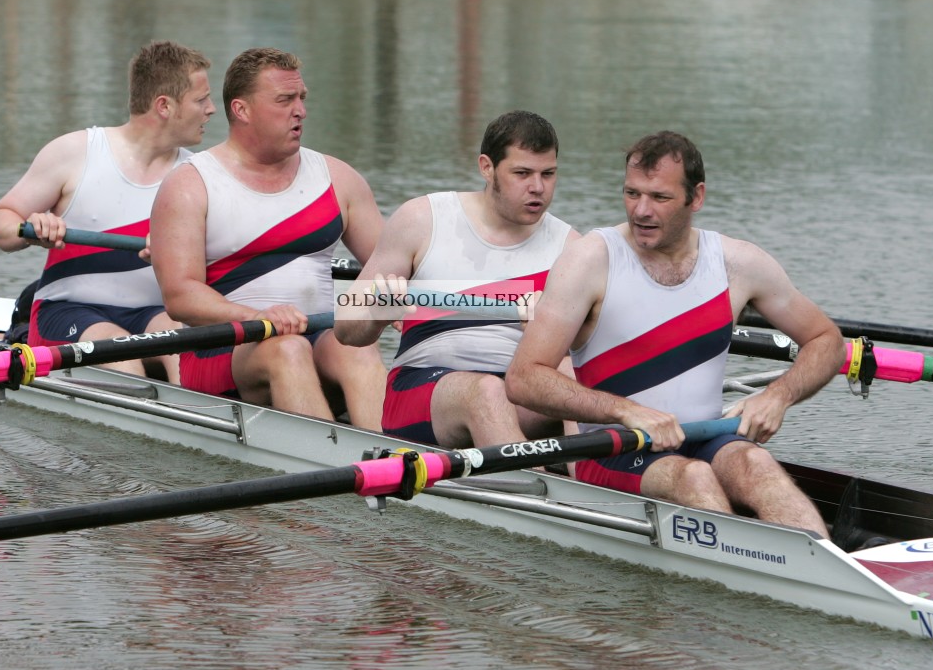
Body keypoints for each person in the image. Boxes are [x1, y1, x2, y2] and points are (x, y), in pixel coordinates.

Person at [505, 131, 844, 535]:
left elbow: (828, 341)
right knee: (694, 478)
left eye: (659, 198)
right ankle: (745, 574)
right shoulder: (591, 260)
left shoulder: (739, 263)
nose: (641, 211)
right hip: (611, 450)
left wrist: (777, 396)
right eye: (632, 194)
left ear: (695, 197)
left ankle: (837, 574)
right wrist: (625, 411)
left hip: (705, 437)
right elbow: (524, 378)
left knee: (757, 464)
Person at [150, 47, 386, 431]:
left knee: (356, 347)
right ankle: (329, 469)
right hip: (222, 353)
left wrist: (390, 303)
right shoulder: (191, 185)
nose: (301, 111)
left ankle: (399, 466)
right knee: (287, 348)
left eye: (302, 98)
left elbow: (391, 266)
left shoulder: (338, 178)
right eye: (284, 100)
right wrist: (257, 317)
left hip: (318, 342)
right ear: (242, 110)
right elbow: (179, 296)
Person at [334, 110, 579, 448]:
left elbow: (601, 348)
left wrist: (555, 330)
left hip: (518, 391)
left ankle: (590, 478)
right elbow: (345, 326)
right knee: (486, 392)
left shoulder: (572, 248)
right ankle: (544, 490)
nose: (537, 188)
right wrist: (377, 312)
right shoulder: (422, 220)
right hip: (422, 391)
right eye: (522, 173)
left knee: (574, 374)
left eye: (548, 174)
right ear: (487, 167)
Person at [0, 40, 216, 384]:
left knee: (186, 356)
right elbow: (0, 225)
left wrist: (181, 251)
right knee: (125, 365)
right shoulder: (75, 152)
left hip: (154, 313)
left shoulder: (199, 175)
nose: (212, 109)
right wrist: (33, 227)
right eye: (201, 100)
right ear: (164, 106)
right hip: (68, 311)